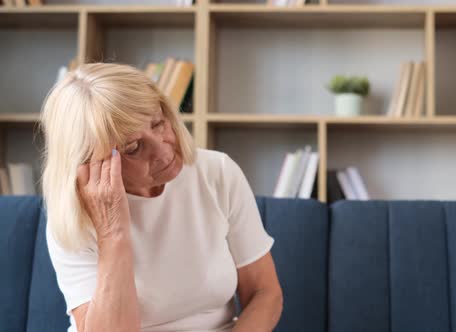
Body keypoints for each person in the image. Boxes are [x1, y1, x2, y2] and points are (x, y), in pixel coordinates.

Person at [39, 62, 283, 332]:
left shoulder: (217, 172)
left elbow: (265, 293)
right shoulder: (73, 217)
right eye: (133, 147)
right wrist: (113, 234)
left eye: (158, 124)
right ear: (90, 162)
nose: (163, 151)